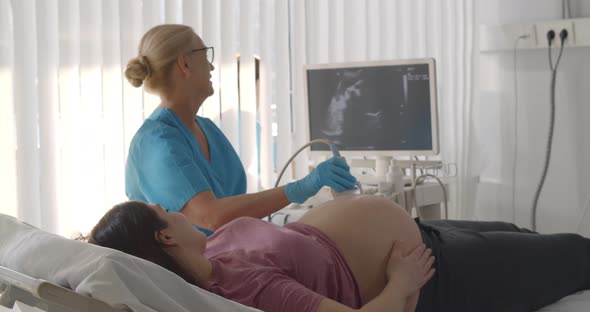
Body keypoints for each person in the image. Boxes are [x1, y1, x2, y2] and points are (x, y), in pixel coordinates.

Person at [87, 195, 590, 312]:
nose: (174, 210)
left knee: (524, 232)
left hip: (421, 235)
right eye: (164, 213)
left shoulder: (214, 247)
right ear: (164, 239)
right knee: (575, 254)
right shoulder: (241, 287)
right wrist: (400, 284)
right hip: (431, 274)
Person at [123, 24, 357, 236]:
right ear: (185, 64)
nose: (212, 65)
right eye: (206, 55)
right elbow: (211, 217)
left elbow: (231, 210)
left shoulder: (207, 129)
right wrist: (300, 187)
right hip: (190, 276)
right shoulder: (157, 144)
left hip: (228, 258)